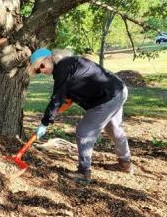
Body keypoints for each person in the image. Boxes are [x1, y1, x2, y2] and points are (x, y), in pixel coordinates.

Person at [30, 48, 132, 184]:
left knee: (84, 132)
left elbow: (57, 98)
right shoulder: (70, 64)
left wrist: (45, 122)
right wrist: (54, 113)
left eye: (41, 66)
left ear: (49, 58)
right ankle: (125, 164)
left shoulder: (62, 67)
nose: (42, 71)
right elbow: (66, 98)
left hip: (107, 96)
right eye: (38, 70)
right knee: (114, 128)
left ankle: (84, 173)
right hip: (118, 89)